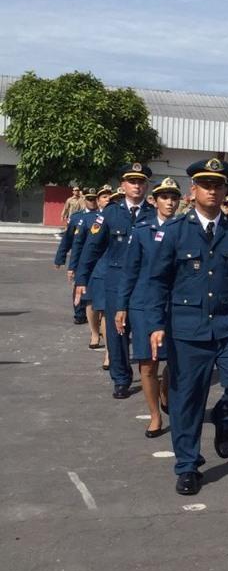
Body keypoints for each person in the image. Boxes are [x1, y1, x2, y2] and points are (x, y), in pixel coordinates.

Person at [145, 157, 228, 496]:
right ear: (192, 190)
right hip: (186, 327)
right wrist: (155, 324)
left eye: (219, 185)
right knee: (186, 400)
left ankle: (224, 419)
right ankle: (187, 466)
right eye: (206, 185)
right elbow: (157, 282)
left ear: (226, 190)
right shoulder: (174, 232)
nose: (212, 190)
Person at [75, 162, 156, 399]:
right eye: (132, 181)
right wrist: (82, 278)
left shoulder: (154, 214)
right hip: (116, 281)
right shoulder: (109, 213)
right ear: (123, 185)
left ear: (147, 186)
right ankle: (121, 378)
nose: (137, 186)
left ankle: (150, 373)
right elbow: (91, 248)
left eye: (141, 182)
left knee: (143, 328)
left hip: (144, 283)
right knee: (116, 331)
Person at [115, 177, 180, 437]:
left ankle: (166, 390)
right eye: (165, 197)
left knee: (175, 361)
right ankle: (155, 416)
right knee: (148, 363)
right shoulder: (142, 230)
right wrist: (122, 306)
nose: (170, 202)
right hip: (143, 303)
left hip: (175, 303)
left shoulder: (186, 228)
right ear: (154, 200)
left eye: (174, 197)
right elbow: (130, 271)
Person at [69, 185, 113, 357]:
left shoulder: (119, 216)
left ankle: (110, 352)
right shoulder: (91, 219)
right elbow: (79, 245)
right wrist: (75, 268)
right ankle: (95, 333)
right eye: (103, 197)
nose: (107, 199)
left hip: (111, 267)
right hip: (93, 266)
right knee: (91, 303)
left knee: (105, 309)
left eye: (110, 196)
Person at [55, 187, 97, 324]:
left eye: (94, 199)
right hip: (79, 257)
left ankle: (94, 313)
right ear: (85, 200)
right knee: (79, 284)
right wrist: (60, 258)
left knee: (94, 285)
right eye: (89, 199)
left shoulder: (102, 217)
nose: (92, 202)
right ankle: (79, 313)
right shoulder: (76, 217)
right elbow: (67, 240)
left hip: (97, 258)